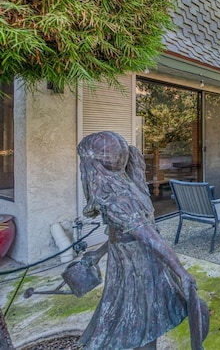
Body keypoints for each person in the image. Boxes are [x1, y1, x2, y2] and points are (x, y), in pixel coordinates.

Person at [77, 131, 209, 350]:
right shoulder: (124, 190)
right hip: (135, 266)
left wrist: (182, 273)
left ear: (92, 167)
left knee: (144, 322)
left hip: (139, 270)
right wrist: (98, 253)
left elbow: (150, 238)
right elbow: (124, 234)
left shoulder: (119, 197)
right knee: (143, 324)